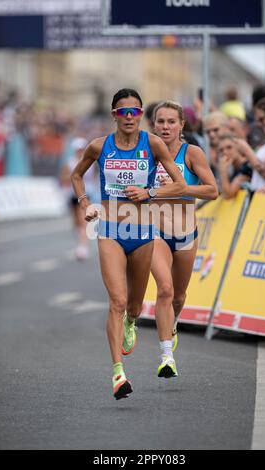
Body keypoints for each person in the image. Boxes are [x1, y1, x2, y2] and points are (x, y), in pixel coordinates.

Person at [71, 89, 186, 400]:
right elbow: (76, 175)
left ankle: (132, 322)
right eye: (124, 112)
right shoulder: (99, 146)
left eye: (136, 112)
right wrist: (85, 203)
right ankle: (118, 373)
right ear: (114, 115)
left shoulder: (153, 144)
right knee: (117, 302)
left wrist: (149, 194)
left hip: (143, 231)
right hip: (109, 229)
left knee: (133, 306)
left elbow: (179, 184)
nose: (131, 117)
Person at [151, 101, 218, 377]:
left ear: (181, 125)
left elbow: (213, 190)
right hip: (155, 232)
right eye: (160, 122)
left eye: (171, 122)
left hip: (186, 234)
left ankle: (173, 324)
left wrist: (179, 188)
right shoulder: (147, 153)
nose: (165, 127)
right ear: (153, 124)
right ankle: (167, 356)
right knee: (164, 289)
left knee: (178, 296)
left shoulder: (192, 153)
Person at [60, 137, 95, 260]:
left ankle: (83, 247)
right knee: (76, 221)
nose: (80, 151)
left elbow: (94, 177)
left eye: (82, 149)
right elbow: (63, 178)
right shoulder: (69, 162)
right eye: (78, 149)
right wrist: (70, 179)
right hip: (72, 194)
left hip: (86, 194)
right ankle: (81, 238)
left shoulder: (90, 162)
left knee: (82, 220)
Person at [218, 133, 252, 199]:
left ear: (237, 147)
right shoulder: (234, 169)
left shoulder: (247, 166)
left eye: (229, 147)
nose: (225, 152)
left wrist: (223, 172)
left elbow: (228, 195)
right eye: (221, 150)